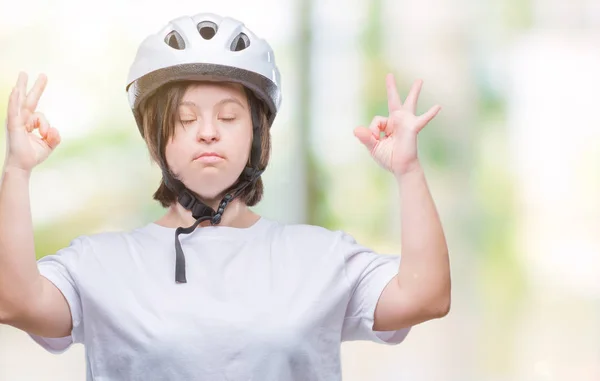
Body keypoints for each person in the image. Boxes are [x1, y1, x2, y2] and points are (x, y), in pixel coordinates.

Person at [0, 12, 450, 381]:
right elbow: (14, 302)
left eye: (230, 116)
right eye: (185, 117)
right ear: (155, 137)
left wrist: (407, 171)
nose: (209, 132)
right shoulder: (100, 263)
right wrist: (17, 171)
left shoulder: (321, 256)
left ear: (256, 134)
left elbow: (426, 297)